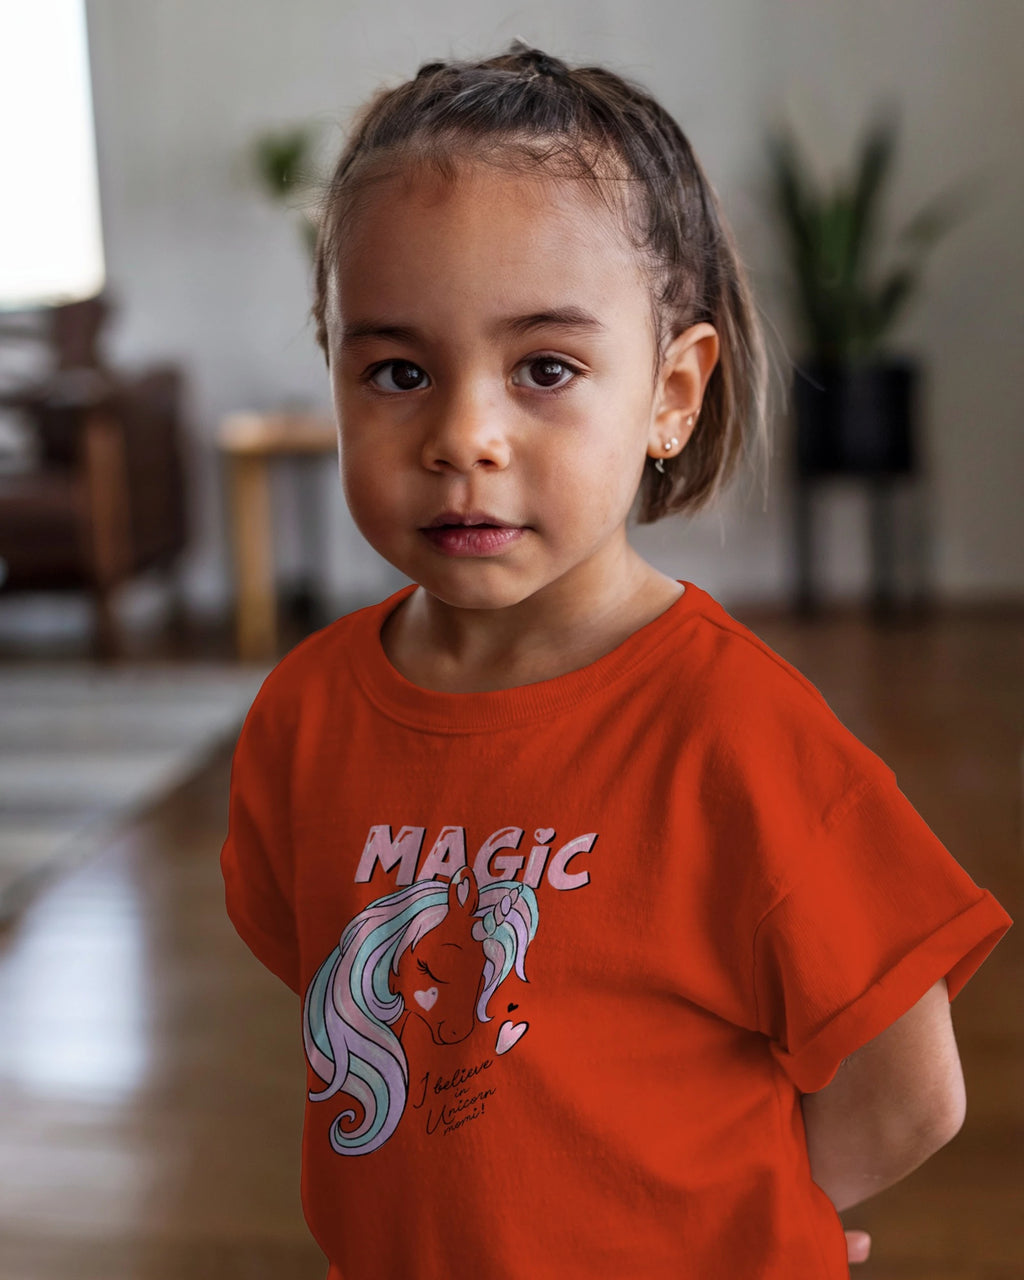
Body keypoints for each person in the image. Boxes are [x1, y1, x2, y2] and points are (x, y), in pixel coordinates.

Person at [221, 43, 1012, 1279]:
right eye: (397, 371)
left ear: (672, 393)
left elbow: (908, 1092)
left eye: (545, 368)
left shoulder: (737, 729)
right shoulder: (301, 715)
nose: (463, 435)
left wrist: (738, 1217)